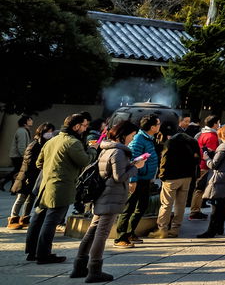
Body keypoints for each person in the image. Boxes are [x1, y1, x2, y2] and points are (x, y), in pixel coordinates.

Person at [73, 119, 144, 283]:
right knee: (101, 234)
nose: (132, 139)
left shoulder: (107, 149)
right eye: (132, 135)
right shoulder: (118, 152)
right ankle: (94, 271)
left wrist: (131, 164)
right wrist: (136, 167)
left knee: (92, 231)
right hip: (111, 196)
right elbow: (119, 177)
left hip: (103, 194)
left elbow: (112, 172)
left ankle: (79, 266)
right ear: (123, 135)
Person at [25, 113, 92, 264]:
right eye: (85, 125)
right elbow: (85, 160)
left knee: (38, 218)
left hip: (45, 185)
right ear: (76, 126)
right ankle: (43, 255)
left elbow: (38, 163)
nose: (85, 128)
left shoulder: (52, 140)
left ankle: (31, 252)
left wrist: (53, 167)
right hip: (60, 187)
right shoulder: (73, 142)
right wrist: (92, 149)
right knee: (50, 221)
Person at [113, 114, 159, 247]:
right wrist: (133, 180)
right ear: (152, 127)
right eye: (158, 124)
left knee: (142, 206)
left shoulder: (149, 138)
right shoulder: (139, 139)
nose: (159, 126)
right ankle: (121, 236)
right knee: (129, 207)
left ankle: (130, 232)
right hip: (137, 179)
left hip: (145, 179)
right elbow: (133, 161)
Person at [153, 118, 199, 238]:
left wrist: (162, 175)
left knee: (166, 204)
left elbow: (164, 160)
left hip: (171, 177)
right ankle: (175, 229)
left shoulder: (171, 142)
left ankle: (162, 229)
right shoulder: (192, 141)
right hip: (187, 176)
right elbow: (197, 159)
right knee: (181, 204)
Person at [196, 123, 225, 238]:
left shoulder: (223, 148)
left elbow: (214, 165)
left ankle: (211, 230)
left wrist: (207, 158)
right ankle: (219, 228)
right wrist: (213, 153)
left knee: (215, 206)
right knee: (222, 204)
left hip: (219, 177)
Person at [8, 121, 53, 230]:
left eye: (51, 132)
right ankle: (13, 218)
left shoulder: (45, 144)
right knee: (21, 198)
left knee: (31, 198)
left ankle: (24, 219)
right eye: (48, 132)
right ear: (42, 132)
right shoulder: (34, 144)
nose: (50, 134)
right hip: (27, 176)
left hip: (36, 176)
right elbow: (28, 161)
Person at [190, 115, 220, 220]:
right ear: (215, 124)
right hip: (205, 166)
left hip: (201, 164)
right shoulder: (211, 136)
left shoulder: (202, 133)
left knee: (199, 188)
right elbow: (211, 152)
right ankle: (194, 211)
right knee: (199, 189)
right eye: (218, 123)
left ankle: (195, 210)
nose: (219, 125)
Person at [2, 114, 33, 194]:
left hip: (18, 155)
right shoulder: (22, 131)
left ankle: (10, 188)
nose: (31, 121)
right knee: (18, 172)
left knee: (17, 171)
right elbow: (21, 146)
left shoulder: (24, 130)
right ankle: (11, 188)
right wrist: (25, 156)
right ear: (25, 122)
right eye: (29, 120)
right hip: (18, 156)